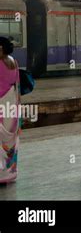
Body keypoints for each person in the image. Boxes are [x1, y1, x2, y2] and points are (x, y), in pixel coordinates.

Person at [0, 37, 20, 184]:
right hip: (12, 103)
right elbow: (17, 86)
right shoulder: (13, 61)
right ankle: (9, 173)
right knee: (10, 140)